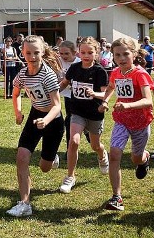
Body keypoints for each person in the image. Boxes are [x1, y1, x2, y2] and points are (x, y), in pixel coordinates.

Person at [7, 35, 63, 217]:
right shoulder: (22, 73)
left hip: (53, 121)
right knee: (22, 156)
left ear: (43, 52)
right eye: (28, 52)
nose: (32, 56)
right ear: (22, 53)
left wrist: (45, 121)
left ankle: (52, 157)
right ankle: (24, 204)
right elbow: (15, 94)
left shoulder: (48, 75)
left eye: (36, 52)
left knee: (44, 167)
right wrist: (17, 112)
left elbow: (57, 106)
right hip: (34, 116)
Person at [101, 37, 154, 211]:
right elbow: (110, 87)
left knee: (135, 158)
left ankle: (144, 158)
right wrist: (106, 101)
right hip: (122, 121)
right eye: (117, 55)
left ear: (134, 54)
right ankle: (117, 197)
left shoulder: (140, 74)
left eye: (125, 54)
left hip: (140, 122)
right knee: (114, 154)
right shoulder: (116, 72)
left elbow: (148, 100)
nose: (122, 58)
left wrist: (128, 105)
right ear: (113, 56)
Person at [58, 37, 109, 194]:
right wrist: (52, 93)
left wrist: (96, 94)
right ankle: (70, 177)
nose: (86, 55)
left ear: (96, 53)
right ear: (78, 53)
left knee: (95, 145)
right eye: (83, 52)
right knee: (73, 141)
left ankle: (102, 154)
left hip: (94, 113)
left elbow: (105, 93)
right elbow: (64, 83)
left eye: (90, 52)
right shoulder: (74, 68)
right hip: (77, 111)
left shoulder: (100, 71)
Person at [57, 41, 80, 151]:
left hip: (79, 96)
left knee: (74, 121)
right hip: (67, 95)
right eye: (61, 53)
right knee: (69, 121)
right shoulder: (58, 62)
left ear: (74, 53)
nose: (63, 56)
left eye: (66, 54)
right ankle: (69, 149)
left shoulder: (79, 63)